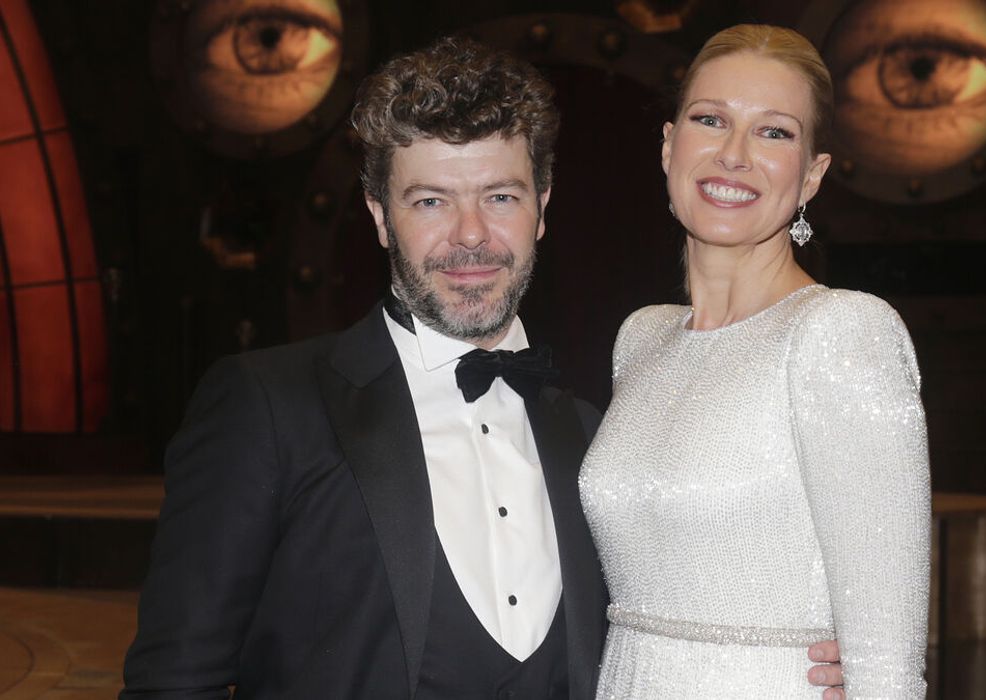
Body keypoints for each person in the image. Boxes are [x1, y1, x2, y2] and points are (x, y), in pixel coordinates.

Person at [120, 34, 850, 699]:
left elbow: (673, 607)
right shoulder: (267, 407)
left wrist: (807, 656)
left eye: (500, 197)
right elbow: (172, 682)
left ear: (542, 208)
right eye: (431, 201)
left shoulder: (595, 441)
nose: (471, 235)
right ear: (379, 215)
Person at [579, 24, 930, 699]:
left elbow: (887, 660)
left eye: (773, 132)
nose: (734, 154)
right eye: (710, 120)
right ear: (669, 146)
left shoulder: (840, 332)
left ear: (812, 176)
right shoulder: (642, 339)